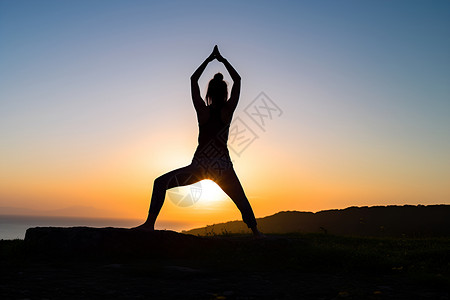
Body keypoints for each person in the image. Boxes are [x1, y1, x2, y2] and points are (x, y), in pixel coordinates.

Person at [135, 46, 263, 237]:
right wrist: (223, 60)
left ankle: (149, 224)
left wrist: (209, 59)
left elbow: (193, 80)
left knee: (160, 183)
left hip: (199, 167)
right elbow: (238, 80)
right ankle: (256, 232)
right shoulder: (227, 112)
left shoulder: (203, 112)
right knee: (241, 199)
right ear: (225, 93)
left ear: (209, 93)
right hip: (222, 167)